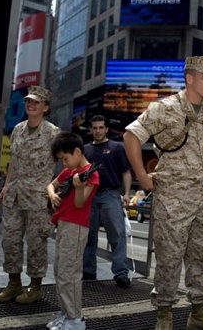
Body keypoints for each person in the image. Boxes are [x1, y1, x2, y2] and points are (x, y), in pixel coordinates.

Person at [123, 55, 203, 330]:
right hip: (173, 197)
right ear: (189, 78)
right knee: (169, 256)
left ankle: (199, 313)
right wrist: (142, 176)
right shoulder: (164, 108)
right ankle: (164, 313)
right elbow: (131, 136)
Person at [0, 85, 61, 304]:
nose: (30, 104)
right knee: (10, 240)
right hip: (14, 194)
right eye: (28, 101)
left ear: (46, 107)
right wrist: (5, 186)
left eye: (35, 102)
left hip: (38, 198)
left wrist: (55, 192)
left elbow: (66, 163)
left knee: (36, 243)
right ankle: (14, 283)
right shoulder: (18, 129)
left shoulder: (54, 133)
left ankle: (35, 286)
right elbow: (14, 161)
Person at [46, 132, 99, 330]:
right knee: (60, 271)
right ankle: (66, 313)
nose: (64, 164)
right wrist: (52, 196)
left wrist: (79, 187)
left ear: (77, 151)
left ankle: (75, 319)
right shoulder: (69, 171)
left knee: (70, 273)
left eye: (65, 159)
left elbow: (79, 204)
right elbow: (51, 185)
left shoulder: (91, 173)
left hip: (76, 227)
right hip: (64, 225)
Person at [82, 115, 132, 288]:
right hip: (89, 194)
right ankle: (88, 270)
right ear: (90, 130)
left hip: (111, 194)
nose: (98, 131)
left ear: (106, 129)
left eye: (101, 127)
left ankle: (121, 273)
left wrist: (126, 193)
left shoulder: (117, 147)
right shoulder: (85, 149)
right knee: (88, 235)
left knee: (117, 234)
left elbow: (126, 172)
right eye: (94, 128)